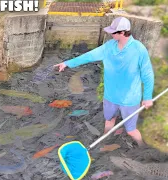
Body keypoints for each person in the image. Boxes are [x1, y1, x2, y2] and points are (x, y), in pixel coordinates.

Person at [54, 17, 154, 147]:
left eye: (113, 32)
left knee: (131, 131)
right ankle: (105, 142)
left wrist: (147, 97)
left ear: (122, 33)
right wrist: (68, 63)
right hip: (110, 96)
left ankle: (142, 147)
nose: (110, 34)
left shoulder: (139, 49)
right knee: (109, 122)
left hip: (130, 99)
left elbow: (147, 75)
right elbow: (89, 56)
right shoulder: (108, 47)